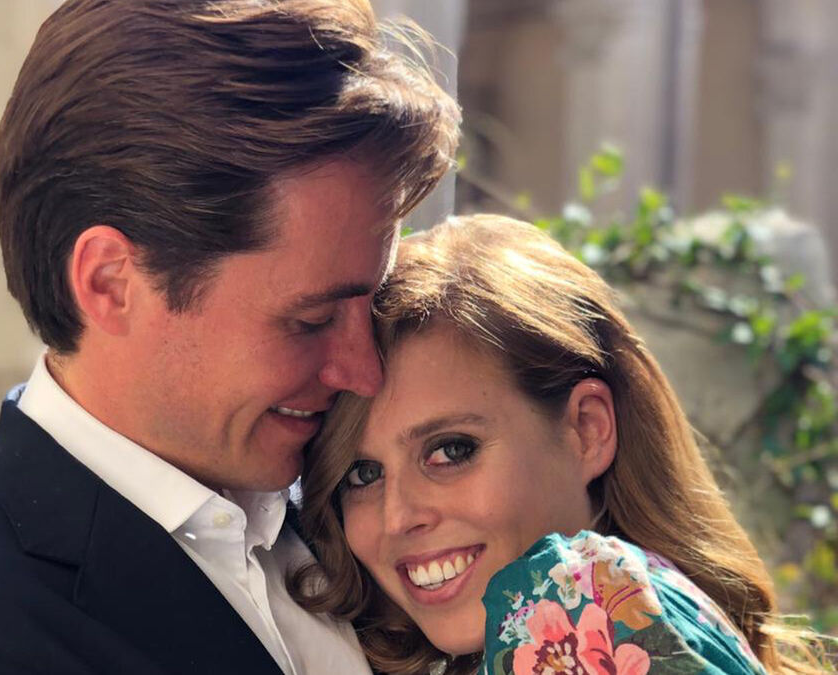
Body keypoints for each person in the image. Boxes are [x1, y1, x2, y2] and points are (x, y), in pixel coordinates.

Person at [0, 1, 460, 674]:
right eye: (310, 320)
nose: (364, 371)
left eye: (372, 305)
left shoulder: (371, 509)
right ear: (111, 282)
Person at [292, 215, 826, 674]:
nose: (397, 517)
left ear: (587, 429)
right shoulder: (651, 608)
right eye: (363, 474)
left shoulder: (580, 605)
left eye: (451, 450)